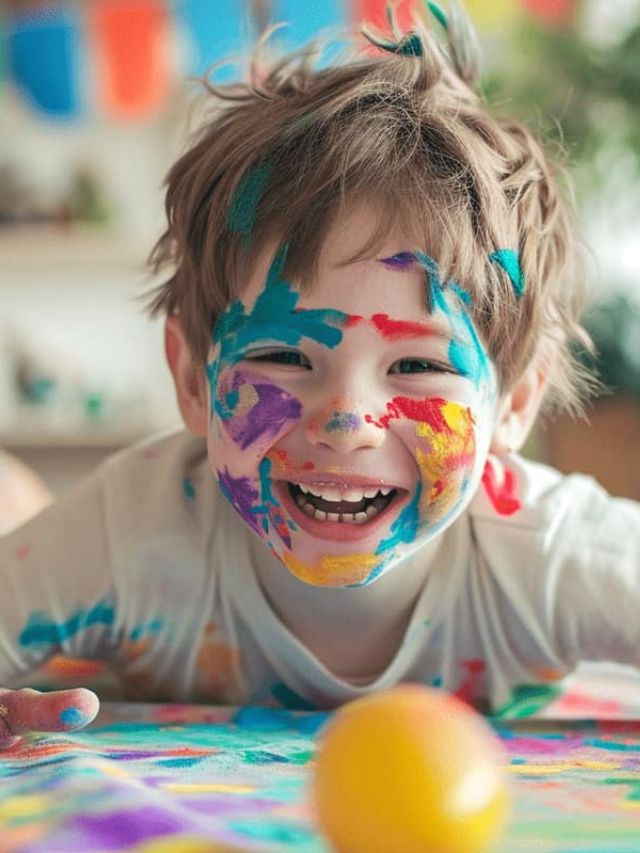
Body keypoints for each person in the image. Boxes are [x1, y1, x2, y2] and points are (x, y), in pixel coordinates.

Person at [1, 2, 638, 749]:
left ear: (515, 403)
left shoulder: (551, 553)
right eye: (282, 356)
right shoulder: (133, 532)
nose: (345, 417)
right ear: (193, 381)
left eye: (418, 364)